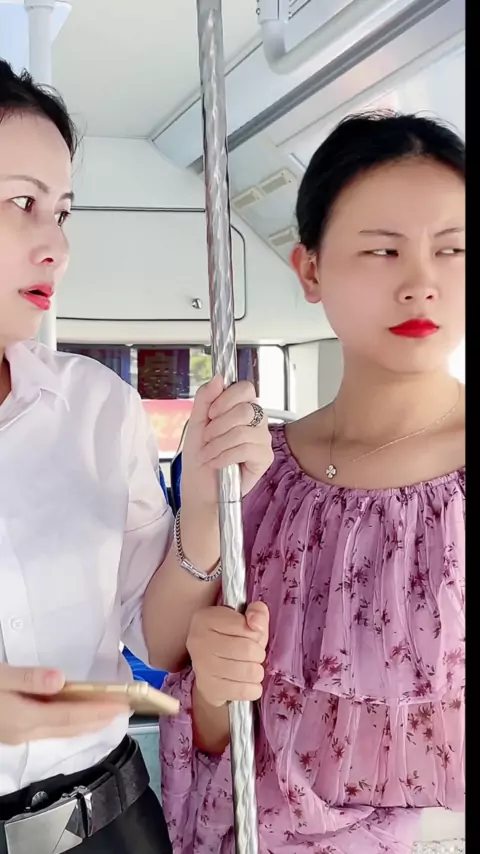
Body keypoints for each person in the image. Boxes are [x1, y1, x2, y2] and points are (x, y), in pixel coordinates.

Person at [160, 112, 465, 853]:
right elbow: (173, 655)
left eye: (453, 249)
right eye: (383, 250)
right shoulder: (261, 468)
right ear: (310, 270)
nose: (421, 284)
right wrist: (210, 686)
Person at [0, 59, 273, 854]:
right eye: (22, 203)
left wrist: (204, 509)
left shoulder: (97, 407)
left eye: (63, 212)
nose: (57, 247)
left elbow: (152, 642)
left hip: (112, 824)